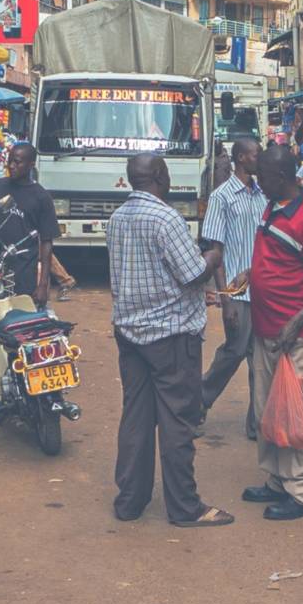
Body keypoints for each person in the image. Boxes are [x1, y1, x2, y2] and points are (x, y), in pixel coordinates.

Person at [108, 154, 231, 528]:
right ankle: (184, 507)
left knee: (136, 417)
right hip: (171, 335)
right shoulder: (166, 218)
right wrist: (211, 257)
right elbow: (193, 274)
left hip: (130, 332)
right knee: (178, 421)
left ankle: (130, 500)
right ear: (161, 176)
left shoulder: (116, 219)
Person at [242, 146, 303, 521]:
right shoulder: (273, 207)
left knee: (298, 413)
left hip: (298, 335)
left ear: (281, 178)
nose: (258, 182)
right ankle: (277, 480)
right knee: (271, 409)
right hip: (269, 330)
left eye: (263, 177)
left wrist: (296, 322)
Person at [201, 137, 265, 438]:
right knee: (235, 350)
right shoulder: (222, 197)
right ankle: (198, 402)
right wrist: (226, 300)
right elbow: (216, 251)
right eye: (255, 155)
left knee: (261, 356)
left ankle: (257, 422)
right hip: (238, 291)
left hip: (265, 289)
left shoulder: (262, 194)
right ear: (241, 158)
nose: (258, 159)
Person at [0, 143, 58, 311]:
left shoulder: (41, 197)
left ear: (31, 165)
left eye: (18, 162)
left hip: (24, 273)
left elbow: (47, 241)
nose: (12, 166)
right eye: (10, 161)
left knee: (19, 321)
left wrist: (43, 284)